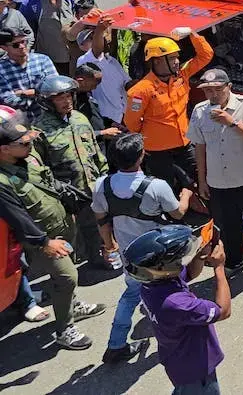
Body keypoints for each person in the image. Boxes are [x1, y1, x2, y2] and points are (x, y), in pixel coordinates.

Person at [0, 117, 106, 349]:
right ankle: (64, 329)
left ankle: (72, 306)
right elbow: (18, 218)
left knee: (65, 277)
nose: (30, 147)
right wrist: (44, 241)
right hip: (42, 240)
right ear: (4, 149)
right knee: (67, 277)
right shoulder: (2, 181)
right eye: (24, 144)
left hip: (63, 226)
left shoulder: (27, 158)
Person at [92, 132, 188, 362]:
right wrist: (186, 194)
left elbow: (101, 219)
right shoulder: (156, 186)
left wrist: (109, 245)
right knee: (173, 292)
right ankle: (174, 338)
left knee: (132, 294)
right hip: (161, 255)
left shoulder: (101, 185)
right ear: (141, 156)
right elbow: (178, 213)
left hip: (129, 253)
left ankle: (118, 342)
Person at [188, 69, 243, 277]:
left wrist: (232, 122)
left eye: (217, 89)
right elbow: (199, 147)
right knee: (228, 226)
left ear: (229, 87)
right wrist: (202, 180)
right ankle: (235, 262)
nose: (213, 95)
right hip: (219, 182)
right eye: (208, 91)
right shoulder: (200, 111)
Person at [125, 224, 229, 391]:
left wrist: (201, 255)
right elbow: (223, 311)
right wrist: (219, 267)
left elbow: (188, 274)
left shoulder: (152, 284)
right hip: (195, 369)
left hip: (177, 360)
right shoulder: (176, 304)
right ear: (164, 270)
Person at [123, 28, 213, 194]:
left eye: (177, 57)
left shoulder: (182, 76)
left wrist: (192, 34)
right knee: (166, 188)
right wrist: (152, 136)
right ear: (156, 61)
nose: (177, 62)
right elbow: (131, 123)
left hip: (185, 143)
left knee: (204, 176)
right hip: (158, 151)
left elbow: (205, 55)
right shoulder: (141, 91)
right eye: (172, 58)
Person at [32, 75, 108, 266]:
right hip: (64, 195)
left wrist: (104, 177)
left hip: (89, 188)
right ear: (48, 102)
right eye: (60, 98)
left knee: (94, 227)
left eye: (68, 96)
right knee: (68, 235)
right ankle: (68, 274)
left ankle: (95, 259)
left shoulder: (80, 119)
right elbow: (38, 169)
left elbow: (96, 152)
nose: (67, 101)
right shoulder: (40, 130)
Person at [21, 0, 75, 73]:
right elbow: (25, 28)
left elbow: (74, 10)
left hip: (73, 48)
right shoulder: (30, 3)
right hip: (50, 51)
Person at [0, 28, 59, 113]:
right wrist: (40, 95)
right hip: (19, 118)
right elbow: (8, 99)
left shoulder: (43, 60)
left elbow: (54, 88)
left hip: (47, 115)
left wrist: (24, 93)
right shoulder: (1, 68)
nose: (22, 46)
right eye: (16, 45)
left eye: (24, 42)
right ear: (4, 47)